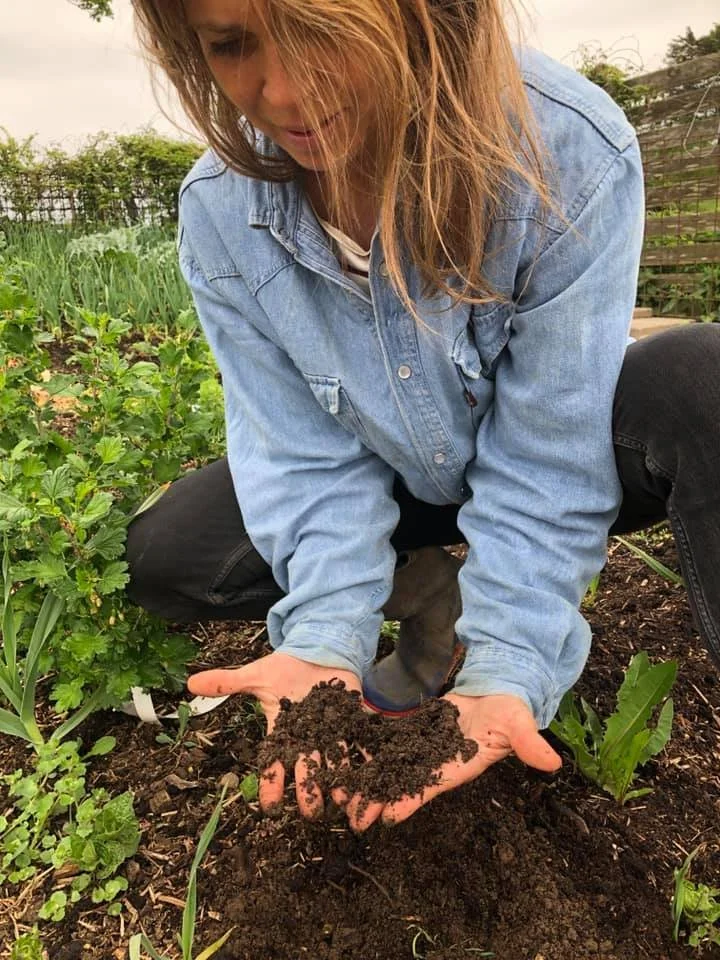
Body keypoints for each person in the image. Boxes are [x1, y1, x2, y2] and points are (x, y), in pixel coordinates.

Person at [126, 0, 720, 832]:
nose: (285, 91)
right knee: (171, 551)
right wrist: (328, 632)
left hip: (567, 441)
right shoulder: (225, 212)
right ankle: (427, 590)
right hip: (396, 466)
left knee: (708, 382)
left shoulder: (566, 149)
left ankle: (480, 622)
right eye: (231, 45)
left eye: (324, 34)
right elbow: (301, 456)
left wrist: (509, 654)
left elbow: (549, 453)